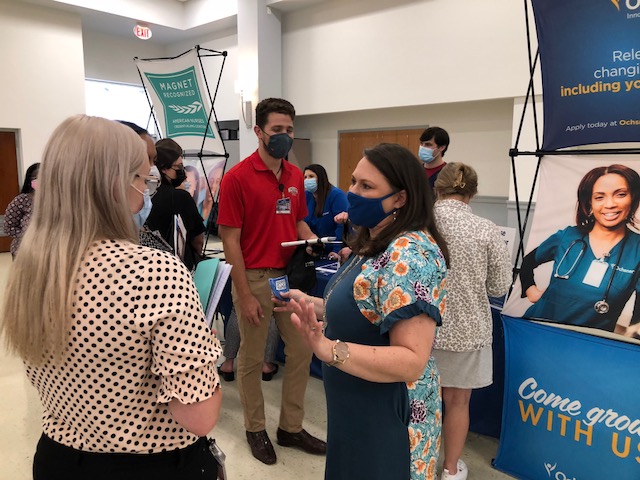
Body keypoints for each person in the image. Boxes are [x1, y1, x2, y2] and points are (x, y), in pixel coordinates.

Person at [0, 115, 223, 479]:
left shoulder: (30, 269)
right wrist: (202, 357)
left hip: (59, 457)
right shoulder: (154, 271)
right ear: (113, 184)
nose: (147, 190)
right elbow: (199, 416)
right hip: (151, 464)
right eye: (142, 178)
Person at [276, 143, 449, 480]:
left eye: (367, 187)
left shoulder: (409, 255)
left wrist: (328, 349)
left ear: (400, 198)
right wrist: (308, 303)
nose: (353, 192)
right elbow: (368, 309)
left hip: (387, 413)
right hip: (355, 406)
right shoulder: (373, 240)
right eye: (354, 181)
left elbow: (411, 359)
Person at [217, 97, 325, 465]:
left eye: (289, 130)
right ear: (259, 131)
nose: (284, 136)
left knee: (302, 348)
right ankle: (255, 427)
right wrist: (244, 293)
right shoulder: (237, 178)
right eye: (277, 130)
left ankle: (290, 427)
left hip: (286, 280)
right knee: (251, 354)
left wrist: (309, 238)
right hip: (253, 276)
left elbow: (297, 221)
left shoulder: (295, 175)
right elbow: (230, 239)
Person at [431, 163, 512, 480]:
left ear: (438, 189)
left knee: (418, 401)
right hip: (468, 330)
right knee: (458, 402)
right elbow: (497, 288)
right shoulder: (487, 229)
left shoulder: (416, 224)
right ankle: (451, 469)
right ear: (473, 192)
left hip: (419, 327)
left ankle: (415, 463)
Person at [519, 164, 640, 333]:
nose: (610, 204)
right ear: (589, 202)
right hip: (538, 329)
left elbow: (638, 320)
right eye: (599, 197)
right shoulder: (567, 237)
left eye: (620, 194)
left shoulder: (637, 250)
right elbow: (528, 262)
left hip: (588, 344)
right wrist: (531, 290)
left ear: (633, 198)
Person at [146, 146, 206, 270]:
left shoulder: (144, 196)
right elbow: (198, 239)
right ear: (164, 169)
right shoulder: (181, 197)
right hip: (179, 267)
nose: (182, 170)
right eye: (178, 166)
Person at [303, 164, 349, 260]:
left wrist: (336, 250)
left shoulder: (336, 195)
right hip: (317, 250)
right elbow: (304, 222)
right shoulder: (306, 196)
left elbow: (341, 225)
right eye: (305, 177)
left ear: (320, 178)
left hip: (336, 249)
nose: (307, 180)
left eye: (311, 176)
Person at [4, 162, 39, 258]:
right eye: (37, 179)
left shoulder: (57, 201)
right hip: (24, 252)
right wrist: (28, 236)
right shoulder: (22, 200)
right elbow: (9, 227)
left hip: (50, 252)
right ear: (30, 181)